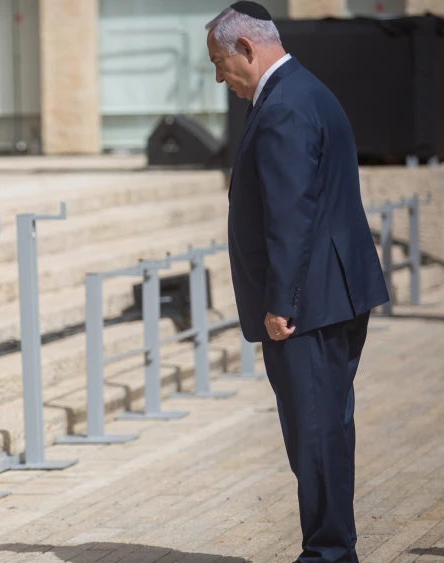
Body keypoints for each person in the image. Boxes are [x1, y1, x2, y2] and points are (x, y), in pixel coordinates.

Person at [205, 2, 389, 562]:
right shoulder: (303, 90)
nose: (220, 79)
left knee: (314, 433)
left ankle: (328, 553)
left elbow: (291, 212)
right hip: (331, 292)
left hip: (308, 303)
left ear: (246, 48)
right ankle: (332, 547)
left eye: (219, 64)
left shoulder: (284, 105)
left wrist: (281, 301)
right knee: (325, 426)